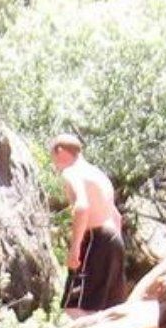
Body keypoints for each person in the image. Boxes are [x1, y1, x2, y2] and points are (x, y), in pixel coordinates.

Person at [51, 134, 128, 312]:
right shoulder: (97, 174)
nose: (54, 163)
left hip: (95, 239)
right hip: (114, 239)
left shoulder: (72, 172)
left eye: (52, 157)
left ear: (60, 151)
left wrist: (75, 248)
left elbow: (82, 207)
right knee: (107, 309)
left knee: (76, 307)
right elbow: (116, 216)